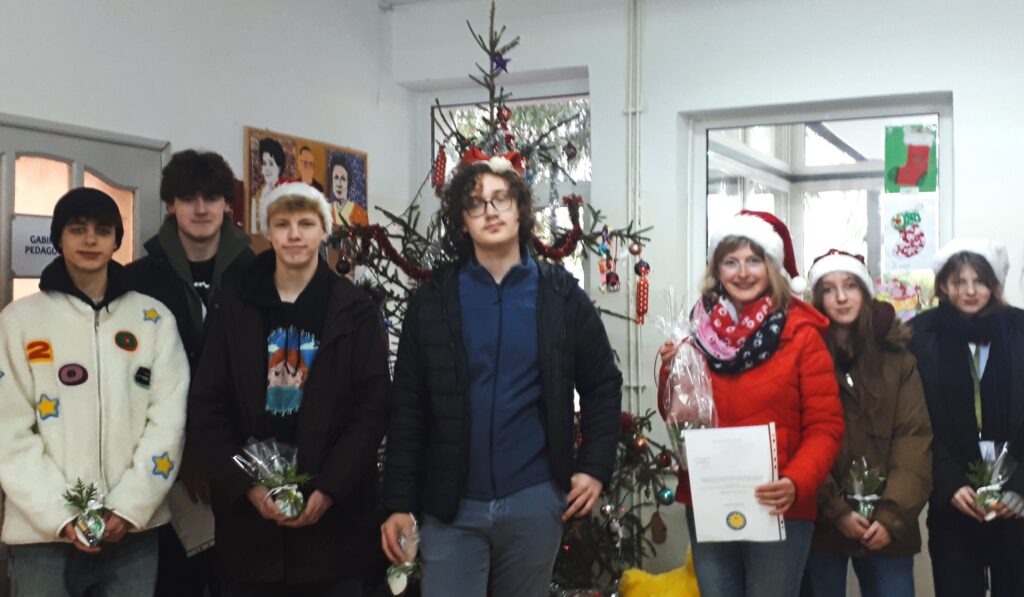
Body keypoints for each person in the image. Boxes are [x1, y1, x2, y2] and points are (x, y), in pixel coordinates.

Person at [380, 157, 622, 597]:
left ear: (519, 209)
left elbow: (603, 383)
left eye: (500, 199)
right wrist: (398, 502)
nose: (490, 211)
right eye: (475, 203)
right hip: (451, 508)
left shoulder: (561, 295)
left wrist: (594, 467)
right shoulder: (433, 301)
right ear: (462, 220)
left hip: (534, 500)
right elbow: (408, 407)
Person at [188, 182, 389, 596]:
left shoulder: (355, 311)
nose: (294, 235)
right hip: (249, 538)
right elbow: (208, 406)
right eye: (282, 224)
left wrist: (329, 488)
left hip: (334, 534)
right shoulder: (235, 305)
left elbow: (371, 411)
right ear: (268, 231)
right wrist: (247, 484)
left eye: (306, 223)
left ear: (324, 230)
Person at [0, 188, 188, 596]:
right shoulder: (19, 321)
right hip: (42, 534)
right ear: (58, 237)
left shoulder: (152, 318)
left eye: (103, 230)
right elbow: (8, 429)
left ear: (117, 240)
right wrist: (59, 513)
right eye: (77, 229)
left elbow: (168, 419)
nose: (90, 239)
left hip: (132, 532)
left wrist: (130, 505)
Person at [657, 210, 844, 597]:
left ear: (771, 267)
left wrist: (796, 481)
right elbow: (679, 419)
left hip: (778, 504)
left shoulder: (802, 334)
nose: (742, 273)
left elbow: (826, 426)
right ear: (717, 270)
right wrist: (671, 370)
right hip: (709, 499)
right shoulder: (695, 331)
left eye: (754, 260)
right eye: (731, 261)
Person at [125, 149, 255, 597]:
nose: (201, 208)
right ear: (170, 205)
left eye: (211, 197)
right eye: (188, 197)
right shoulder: (137, 281)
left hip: (241, 458)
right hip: (160, 462)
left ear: (227, 205)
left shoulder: (256, 275)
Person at [802, 249, 932, 597]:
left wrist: (891, 517)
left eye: (850, 286)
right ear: (817, 299)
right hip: (822, 522)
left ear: (865, 292)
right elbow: (799, 440)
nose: (841, 297)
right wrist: (836, 510)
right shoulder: (804, 354)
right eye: (828, 289)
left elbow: (914, 440)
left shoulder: (898, 359)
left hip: (887, 524)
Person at [908, 239, 1024, 597]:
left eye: (980, 281)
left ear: (995, 284)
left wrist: (1020, 487)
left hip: (1016, 504)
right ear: (943, 285)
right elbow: (917, 420)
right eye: (959, 281)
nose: (970, 291)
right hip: (953, 501)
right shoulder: (920, 336)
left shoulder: (1019, 330)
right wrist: (949, 482)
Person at [251, 137, 285, 234]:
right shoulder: (257, 198)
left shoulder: (286, 195)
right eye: (264, 163)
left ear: (279, 167)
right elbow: (253, 231)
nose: (266, 168)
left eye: (271, 163)